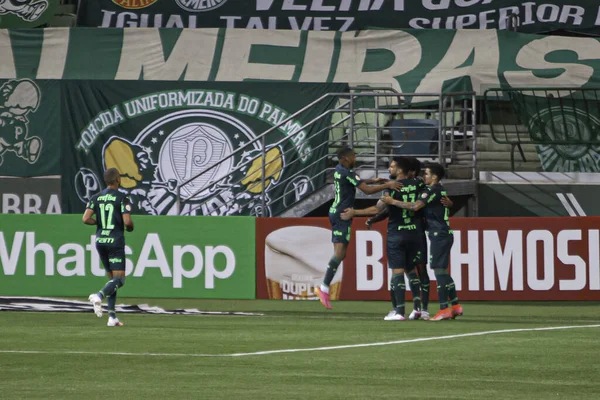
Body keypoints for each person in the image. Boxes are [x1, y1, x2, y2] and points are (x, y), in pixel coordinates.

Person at [315, 147, 402, 309]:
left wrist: (372, 180)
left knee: (340, 253)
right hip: (343, 213)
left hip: (335, 211)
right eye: (353, 156)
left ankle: (324, 287)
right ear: (345, 158)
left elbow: (358, 181)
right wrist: (387, 185)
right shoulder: (347, 172)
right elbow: (367, 191)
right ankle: (324, 287)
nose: (355, 157)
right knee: (339, 253)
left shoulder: (342, 170)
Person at [341, 157, 422, 321]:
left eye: (392, 167)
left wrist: (354, 212)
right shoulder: (419, 185)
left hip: (396, 233)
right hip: (415, 233)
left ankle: (399, 312)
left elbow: (376, 209)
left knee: (397, 272)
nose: (389, 169)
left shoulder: (391, 190)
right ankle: (418, 308)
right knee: (411, 270)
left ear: (400, 170)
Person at [385, 163, 463, 321]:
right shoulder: (438, 189)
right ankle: (455, 306)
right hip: (442, 233)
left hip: (439, 234)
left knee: (439, 271)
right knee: (442, 271)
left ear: (434, 177)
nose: (424, 176)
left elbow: (415, 206)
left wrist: (392, 202)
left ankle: (443, 309)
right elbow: (444, 203)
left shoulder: (433, 190)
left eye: (427, 174)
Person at [83, 168, 134, 327]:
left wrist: (99, 223)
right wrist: (131, 227)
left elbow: (85, 219)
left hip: (100, 241)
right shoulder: (122, 197)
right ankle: (98, 295)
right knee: (120, 279)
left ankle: (112, 317)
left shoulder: (96, 197)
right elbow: (127, 222)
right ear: (118, 179)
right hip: (115, 241)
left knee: (112, 279)